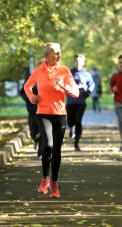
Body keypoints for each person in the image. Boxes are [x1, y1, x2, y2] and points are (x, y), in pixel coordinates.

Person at [24, 42, 79, 198]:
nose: (59, 56)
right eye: (55, 53)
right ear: (47, 55)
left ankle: (54, 183)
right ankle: (45, 178)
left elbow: (75, 92)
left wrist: (64, 86)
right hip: (42, 113)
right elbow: (27, 86)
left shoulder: (64, 71)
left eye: (60, 52)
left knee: (56, 149)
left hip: (60, 114)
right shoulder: (38, 71)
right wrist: (32, 97)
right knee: (47, 144)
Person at [66, 54, 95, 151]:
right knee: (70, 121)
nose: (78, 63)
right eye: (76, 61)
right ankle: (71, 128)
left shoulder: (87, 74)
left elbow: (91, 84)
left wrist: (88, 92)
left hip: (81, 101)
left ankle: (76, 143)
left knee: (78, 121)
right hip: (70, 101)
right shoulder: (69, 72)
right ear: (74, 62)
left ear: (83, 63)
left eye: (80, 61)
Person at [19, 56, 46, 159]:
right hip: (32, 111)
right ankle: (35, 139)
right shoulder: (31, 77)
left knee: (44, 131)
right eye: (39, 63)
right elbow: (23, 92)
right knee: (34, 132)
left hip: (44, 111)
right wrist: (31, 98)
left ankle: (41, 153)